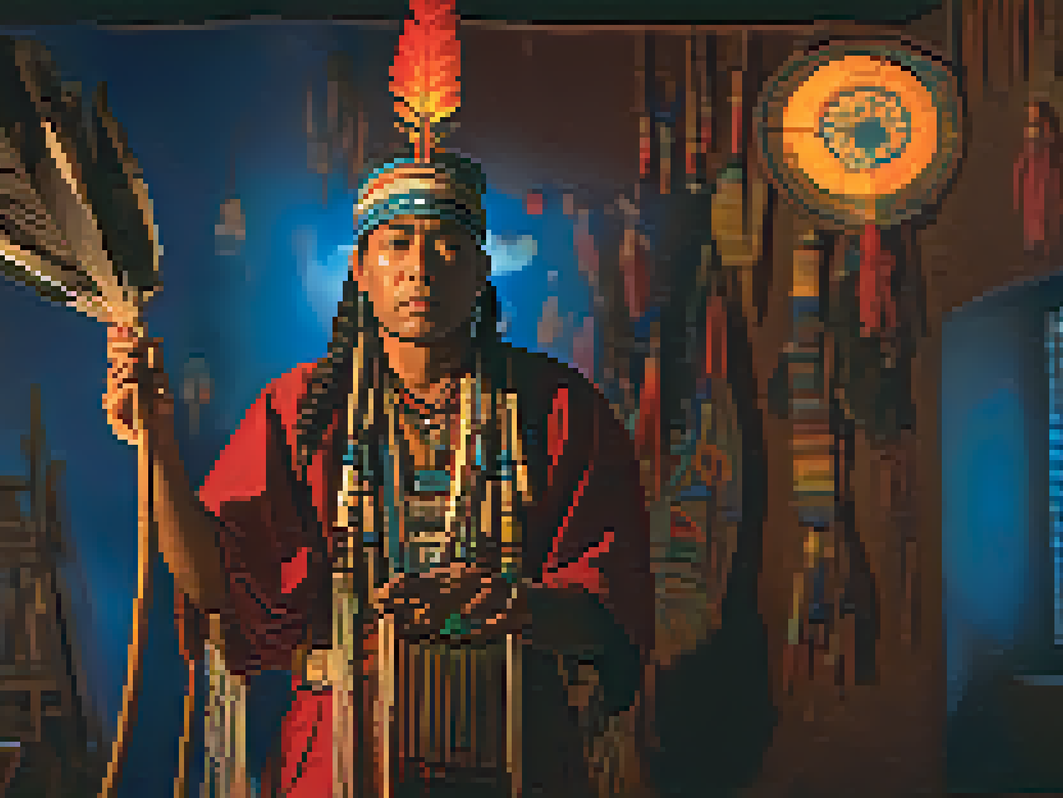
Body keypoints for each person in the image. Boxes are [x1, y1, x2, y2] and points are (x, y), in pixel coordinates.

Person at [104, 155, 653, 794]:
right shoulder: (302, 411)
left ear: (480, 271)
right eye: (397, 244)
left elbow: (613, 612)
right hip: (340, 757)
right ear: (361, 270)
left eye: (447, 246)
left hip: (516, 753)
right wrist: (158, 441)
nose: (420, 267)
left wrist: (516, 605)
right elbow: (213, 587)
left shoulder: (557, 409)